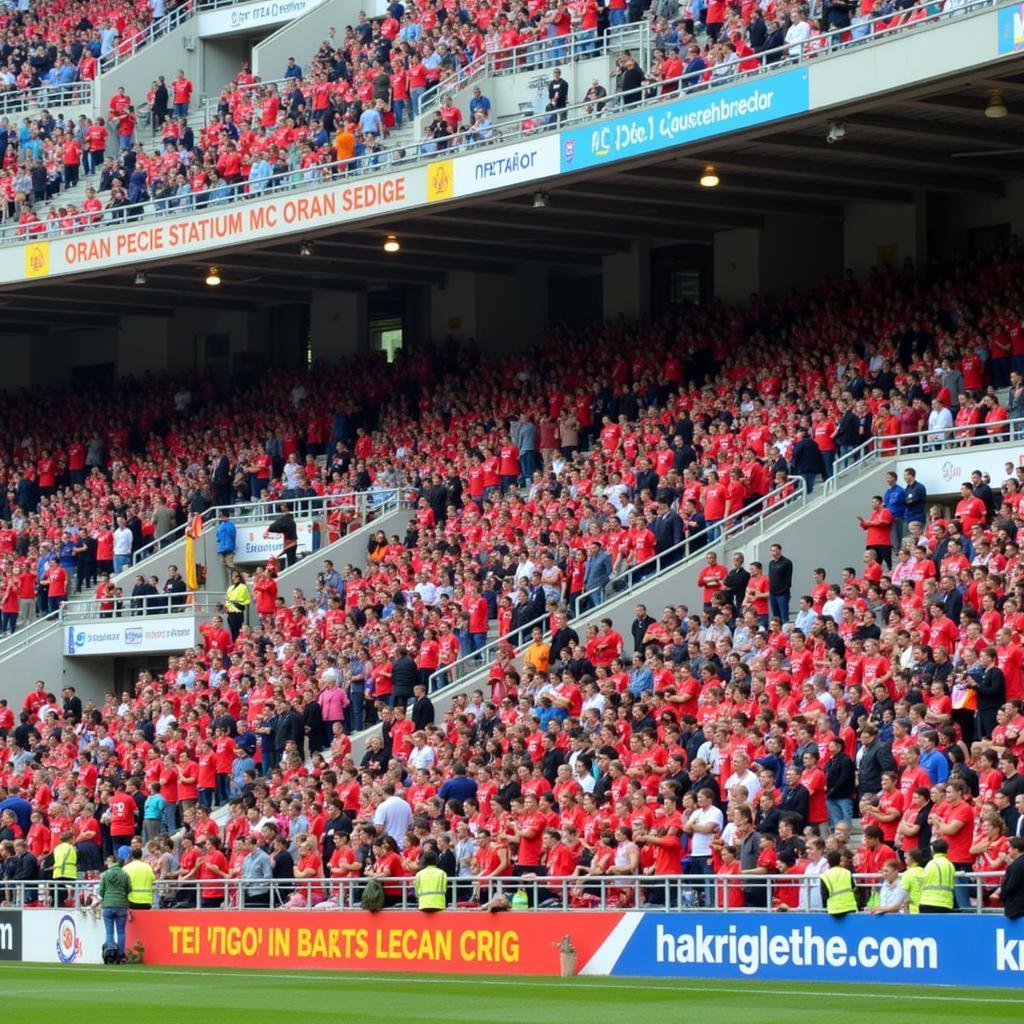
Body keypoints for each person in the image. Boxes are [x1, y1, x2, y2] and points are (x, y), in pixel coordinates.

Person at [98, 852, 132, 959]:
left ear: (112, 862)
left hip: (107, 905)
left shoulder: (105, 875)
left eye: (108, 861)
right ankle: (121, 954)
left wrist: (106, 896)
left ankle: (110, 951)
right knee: (121, 931)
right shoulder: (124, 874)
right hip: (121, 905)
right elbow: (129, 888)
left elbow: (101, 891)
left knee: (109, 932)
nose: (106, 863)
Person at [919, 838, 955, 913]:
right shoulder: (950, 865)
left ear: (933, 851)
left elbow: (922, 881)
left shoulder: (931, 864)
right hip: (946, 904)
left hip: (928, 902)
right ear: (947, 851)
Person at [819, 848, 857, 917]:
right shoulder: (847, 872)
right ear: (839, 860)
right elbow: (853, 888)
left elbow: (824, 895)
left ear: (828, 862)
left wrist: (825, 907)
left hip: (834, 910)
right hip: (850, 908)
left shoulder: (824, 876)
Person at [996, 837, 1024, 919]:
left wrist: (1001, 895)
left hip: (1017, 909)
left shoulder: (1017, 865)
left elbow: (1011, 886)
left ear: (1016, 850)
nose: (1008, 851)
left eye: (1010, 848)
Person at [414, 847, 448, 911]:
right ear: (436, 860)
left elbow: (416, 892)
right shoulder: (442, 873)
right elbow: (444, 889)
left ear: (424, 860)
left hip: (423, 905)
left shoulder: (419, 874)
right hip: (439, 904)